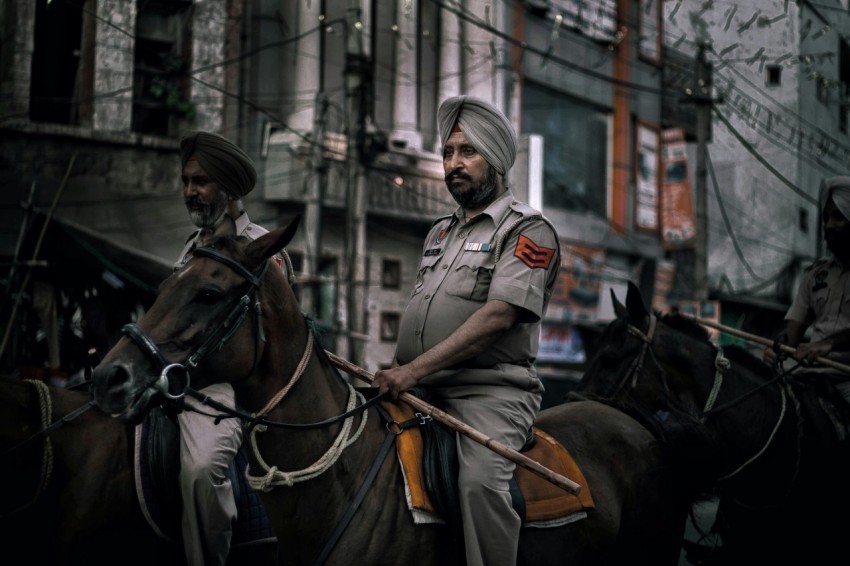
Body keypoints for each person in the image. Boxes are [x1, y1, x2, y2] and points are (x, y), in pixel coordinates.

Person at [372, 95, 561, 566]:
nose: (454, 164)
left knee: (479, 484)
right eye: (448, 153)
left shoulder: (527, 231)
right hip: (419, 386)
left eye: (468, 152)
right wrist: (394, 370)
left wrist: (411, 371)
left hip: (490, 393)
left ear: (495, 159)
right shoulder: (439, 233)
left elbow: (497, 317)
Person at [174, 130, 276, 566]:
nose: (190, 192)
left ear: (228, 189)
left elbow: (274, 340)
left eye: (200, 182)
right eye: (186, 181)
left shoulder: (263, 249)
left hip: (226, 394)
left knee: (201, 472)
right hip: (173, 383)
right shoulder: (188, 251)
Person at [763, 175, 850, 403]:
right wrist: (778, 346)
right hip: (811, 377)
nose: (829, 225)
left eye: (838, 217)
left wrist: (828, 344)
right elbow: (791, 332)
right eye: (826, 218)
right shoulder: (816, 275)